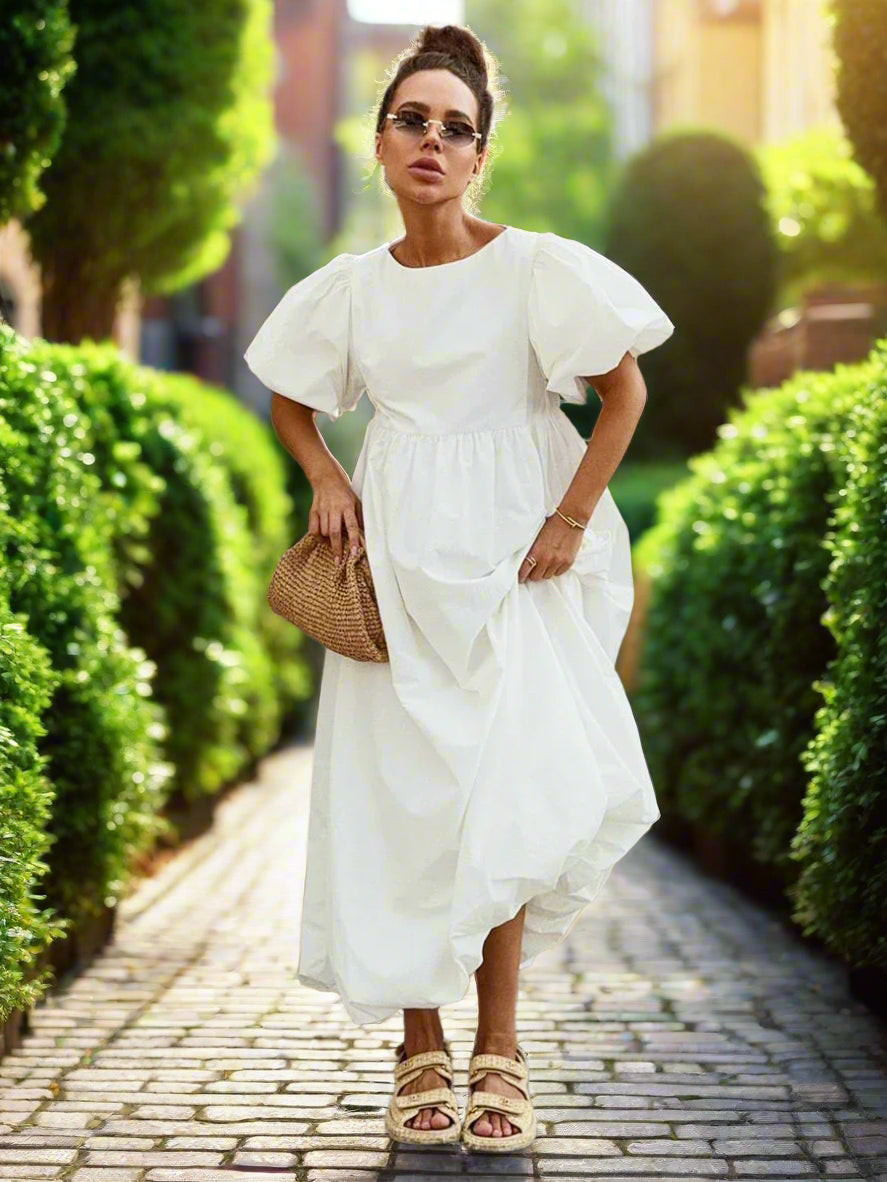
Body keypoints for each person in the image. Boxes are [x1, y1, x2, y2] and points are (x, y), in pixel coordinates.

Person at [243, 21, 675, 1155]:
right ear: (380, 144)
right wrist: (324, 472)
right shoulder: (348, 289)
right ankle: (416, 1051)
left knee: (501, 798)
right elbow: (292, 396)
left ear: (480, 155)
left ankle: (500, 1056)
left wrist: (570, 518)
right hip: (391, 562)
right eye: (411, 120)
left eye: (455, 127)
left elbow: (619, 393)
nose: (432, 140)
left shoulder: (534, 269)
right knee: (404, 806)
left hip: (515, 560)